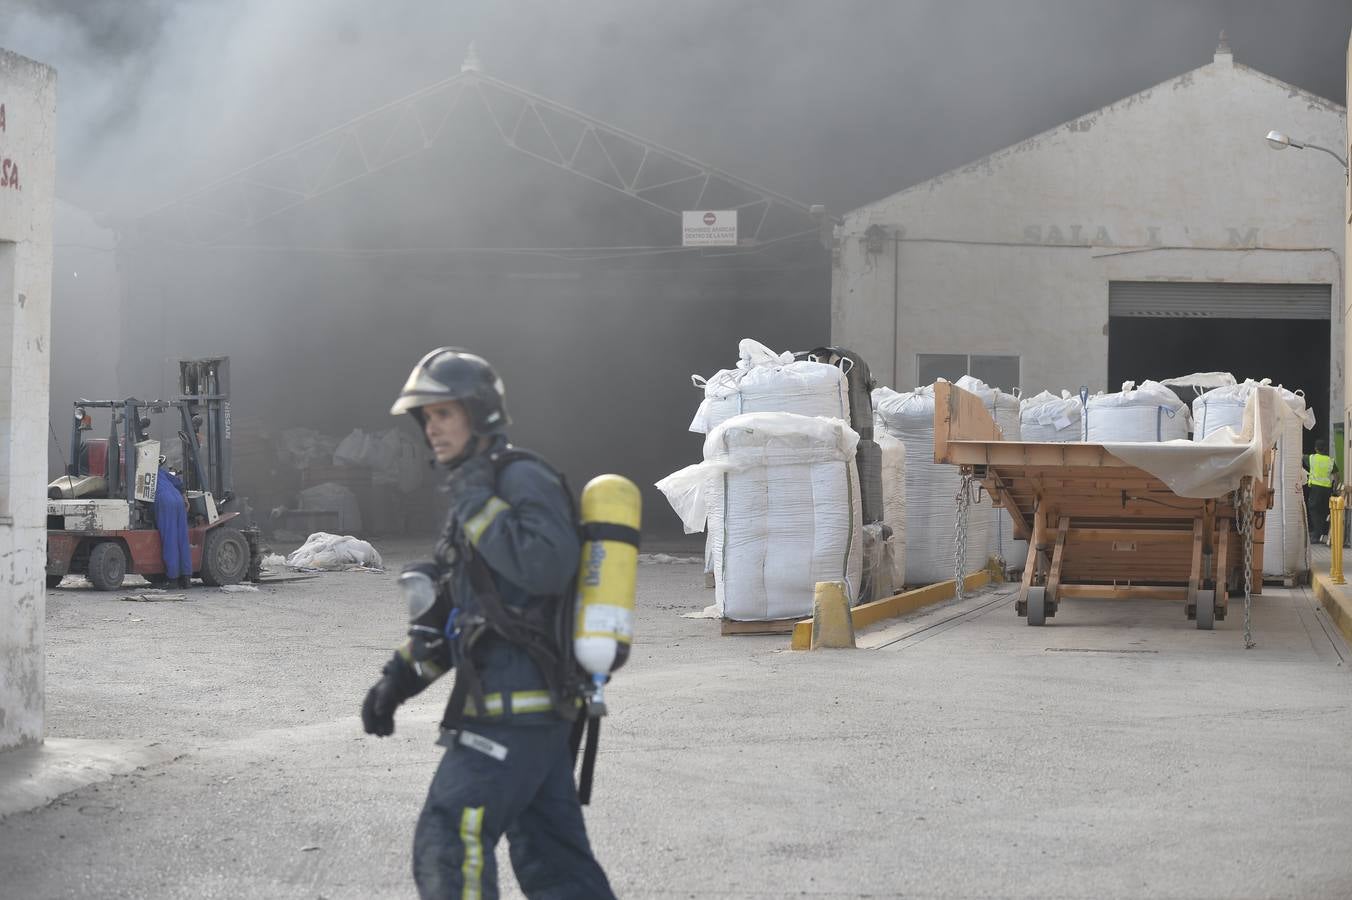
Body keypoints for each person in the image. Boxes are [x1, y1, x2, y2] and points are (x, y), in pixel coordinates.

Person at [361, 348, 615, 900]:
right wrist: (397, 682)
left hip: (515, 712)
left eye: (444, 414)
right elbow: (458, 610)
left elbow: (547, 567)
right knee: (555, 867)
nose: (432, 429)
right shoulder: (471, 494)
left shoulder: (521, 478)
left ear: (481, 414)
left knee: (451, 839)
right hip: (520, 713)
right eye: (426, 418)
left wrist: (477, 499)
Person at [154, 461, 192, 589]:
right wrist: (185, 498)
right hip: (177, 498)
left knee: (170, 538)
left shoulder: (140, 471)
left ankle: (173, 579)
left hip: (164, 500)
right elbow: (177, 482)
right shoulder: (160, 471)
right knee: (182, 538)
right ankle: (186, 578)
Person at [1305, 439, 1339, 545]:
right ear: (1325, 449)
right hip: (1327, 490)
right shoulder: (1330, 460)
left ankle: (1316, 535)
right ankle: (1322, 533)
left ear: (1315, 448)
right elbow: (1337, 476)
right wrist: (1335, 489)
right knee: (1323, 511)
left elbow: (1300, 457)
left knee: (1314, 510)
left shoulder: (1311, 458)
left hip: (1315, 489)